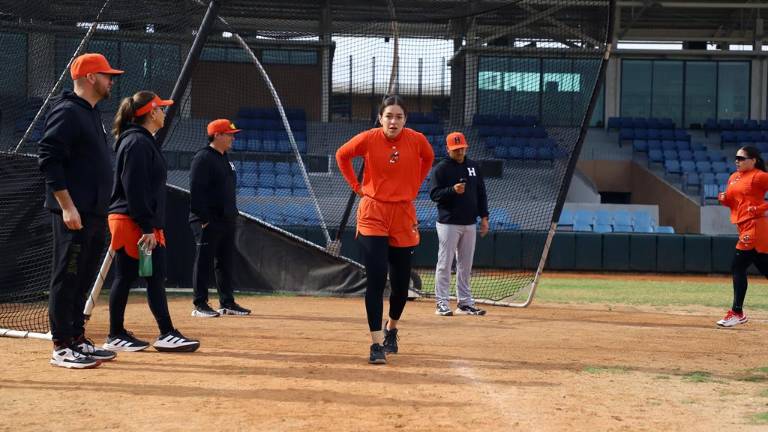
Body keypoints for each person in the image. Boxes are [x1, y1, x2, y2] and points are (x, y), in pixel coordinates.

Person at [38, 53, 123, 369]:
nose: (111, 80)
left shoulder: (91, 112)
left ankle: (76, 337)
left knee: (83, 275)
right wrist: (67, 206)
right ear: (90, 77)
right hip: (74, 213)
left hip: (94, 213)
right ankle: (62, 346)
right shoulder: (68, 111)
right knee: (68, 276)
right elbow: (48, 158)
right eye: (107, 75)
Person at [336, 95, 434, 364]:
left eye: (399, 117)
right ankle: (376, 343)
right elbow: (342, 155)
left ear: (405, 120)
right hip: (373, 213)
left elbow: (428, 158)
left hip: (403, 214)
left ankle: (392, 328)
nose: (393, 121)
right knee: (377, 278)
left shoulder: (417, 140)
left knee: (401, 286)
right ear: (380, 118)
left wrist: (415, 184)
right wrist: (356, 187)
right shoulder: (368, 138)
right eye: (389, 116)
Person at [101, 91, 200, 353]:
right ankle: (137, 333)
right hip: (134, 221)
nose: (165, 114)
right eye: (161, 109)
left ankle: (135, 333)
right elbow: (134, 188)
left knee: (147, 276)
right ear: (152, 112)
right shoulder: (137, 143)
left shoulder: (141, 140)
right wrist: (146, 227)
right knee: (132, 276)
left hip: (138, 220)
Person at [189, 119, 251, 318]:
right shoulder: (203, 158)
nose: (233, 138)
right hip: (208, 220)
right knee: (204, 261)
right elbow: (196, 190)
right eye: (229, 134)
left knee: (225, 262)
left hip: (226, 219)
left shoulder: (225, 158)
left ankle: (227, 302)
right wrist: (204, 218)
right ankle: (200, 304)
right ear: (217, 135)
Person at [429, 132, 490, 317]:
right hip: (448, 223)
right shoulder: (441, 169)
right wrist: (452, 190)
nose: (460, 151)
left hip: (470, 223)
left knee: (465, 265)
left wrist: (484, 217)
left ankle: (464, 303)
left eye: (462, 148)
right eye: (456, 149)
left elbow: (481, 193)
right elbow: (434, 195)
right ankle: (441, 302)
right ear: (448, 149)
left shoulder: (473, 166)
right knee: (445, 263)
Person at [716, 145, 768, 327]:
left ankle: (737, 312)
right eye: (736, 158)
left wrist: (761, 208)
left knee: (737, 266)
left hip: (755, 227)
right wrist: (724, 200)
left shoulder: (759, 176)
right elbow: (735, 203)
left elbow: (756, 205)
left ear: (753, 160)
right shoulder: (734, 177)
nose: (737, 161)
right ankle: (738, 313)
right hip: (743, 226)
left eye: (741, 158)